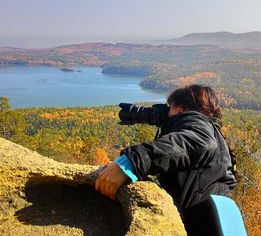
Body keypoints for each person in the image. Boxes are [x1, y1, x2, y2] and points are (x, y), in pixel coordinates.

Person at [95, 84, 237, 235]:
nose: (166, 112)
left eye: (170, 107)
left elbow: (197, 143)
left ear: (180, 109)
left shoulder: (199, 126)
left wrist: (130, 163)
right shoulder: (214, 133)